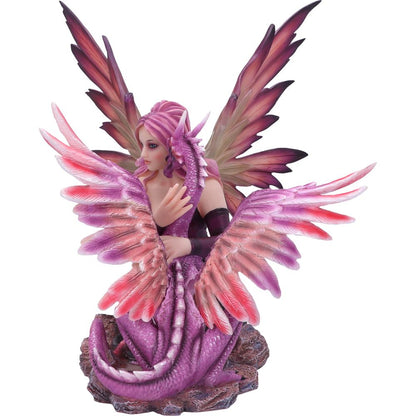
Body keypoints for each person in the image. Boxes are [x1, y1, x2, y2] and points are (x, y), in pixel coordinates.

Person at [135, 100, 231, 264]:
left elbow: (228, 243)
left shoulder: (206, 186)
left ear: (171, 146)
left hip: (197, 274)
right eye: (142, 144)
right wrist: (157, 223)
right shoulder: (140, 184)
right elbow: (130, 244)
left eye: (152, 145)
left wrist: (189, 246)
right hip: (151, 272)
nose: (143, 154)